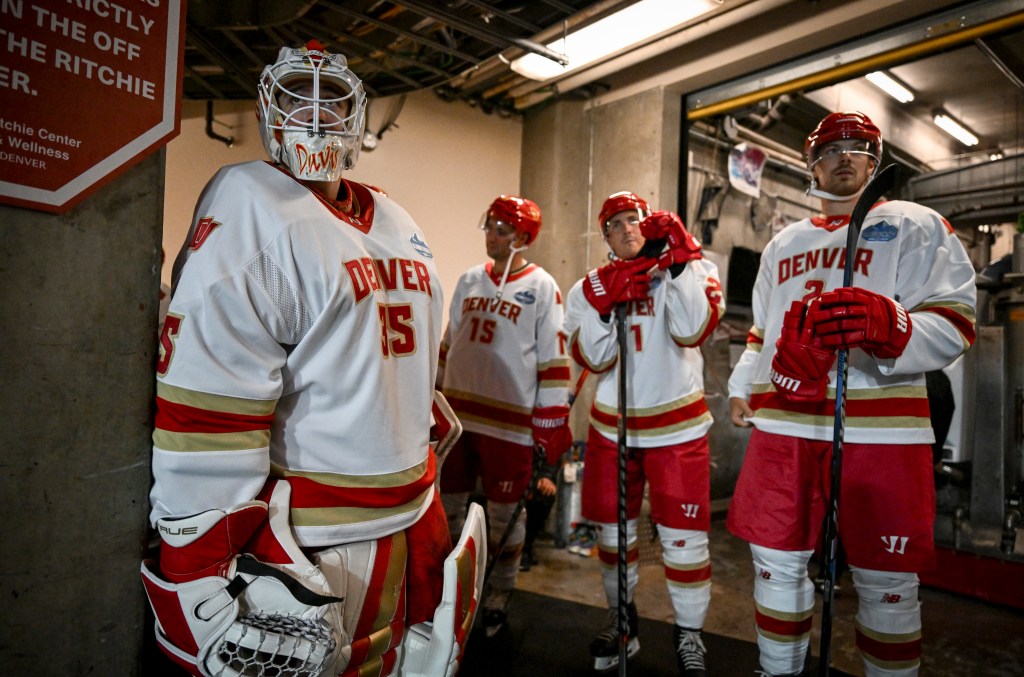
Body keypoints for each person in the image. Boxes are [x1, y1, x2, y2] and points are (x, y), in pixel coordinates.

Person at [140, 40, 484, 677]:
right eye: (299, 98)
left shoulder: (394, 215)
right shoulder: (250, 201)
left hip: (411, 513)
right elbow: (209, 407)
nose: (317, 114)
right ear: (269, 112)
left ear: (358, 116)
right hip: (314, 539)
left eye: (333, 101)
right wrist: (197, 567)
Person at [726, 111, 977, 677]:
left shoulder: (916, 224)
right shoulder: (783, 243)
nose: (844, 156)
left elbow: (957, 320)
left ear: (875, 161)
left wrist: (892, 325)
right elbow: (762, 332)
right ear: (811, 166)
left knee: (888, 581)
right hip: (785, 421)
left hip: (883, 429)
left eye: (857, 148)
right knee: (774, 563)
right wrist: (742, 387)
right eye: (830, 149)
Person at [562, 191, 724, 676]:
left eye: (633, 218)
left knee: (684, 541)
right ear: (605, 237)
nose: (626, 228)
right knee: (613, 537)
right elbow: (593, 359)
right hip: (613, 425)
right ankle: (623, 620)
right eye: (614, 223)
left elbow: (692, 330)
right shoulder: (586, 287)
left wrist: (677, 265)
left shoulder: (696, 267)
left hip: (678, 426)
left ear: (650, 222)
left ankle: (690, 634)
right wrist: (604, 307)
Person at [437, 195, 573, 636]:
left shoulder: (543, 287)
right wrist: (432, 398)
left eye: (501, 228)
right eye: (490, 225)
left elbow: (553, 357)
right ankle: (446, 587)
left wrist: (550, 421)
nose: (491, 235)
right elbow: (449, 343)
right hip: (458, 416)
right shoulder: (469, 279)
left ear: (521, 236)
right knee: (447, 507)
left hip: (510, 423)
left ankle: (500, 588)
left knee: (504, 516)